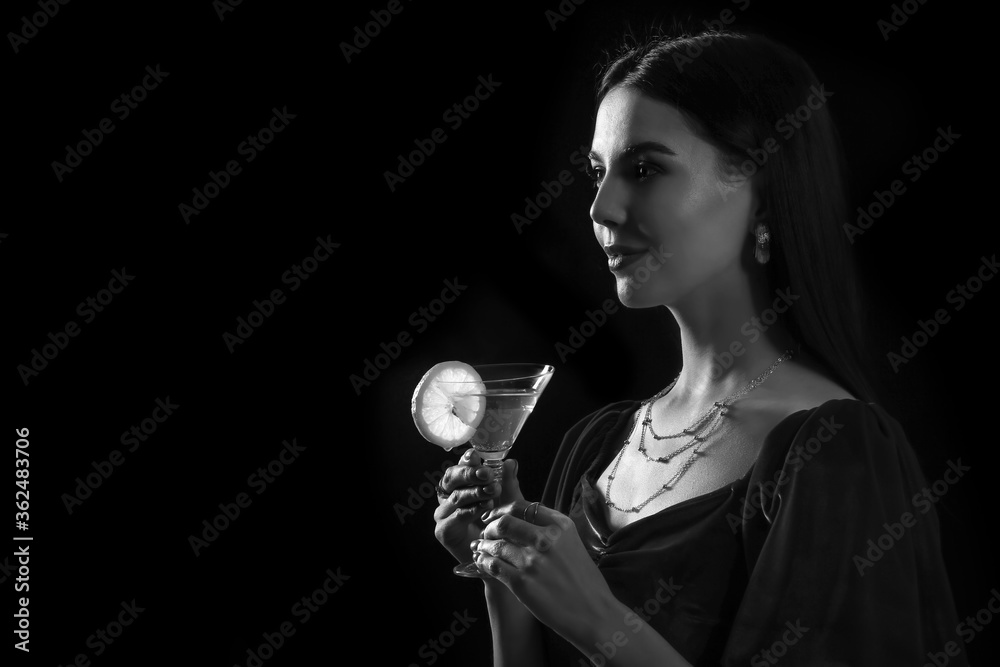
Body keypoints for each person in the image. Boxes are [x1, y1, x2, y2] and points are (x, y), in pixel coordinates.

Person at [433, 28, 966, 666]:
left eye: (644, 169)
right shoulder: (597, 443)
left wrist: (598, 618)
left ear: (760, 193)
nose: (601, 207)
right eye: (598, 173)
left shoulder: (834, 453)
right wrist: (504, 572)